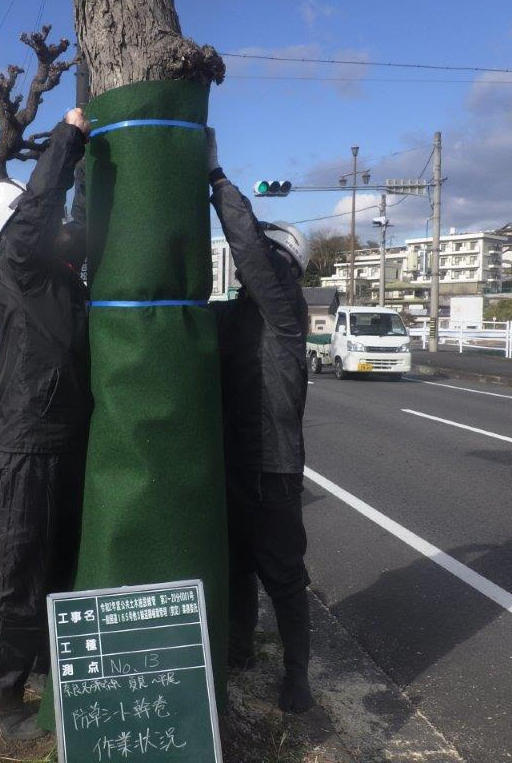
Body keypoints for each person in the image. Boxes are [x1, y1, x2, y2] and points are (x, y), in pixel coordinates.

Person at [0, 108, 92, 740]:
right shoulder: (19, 266)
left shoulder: (50, 277)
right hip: (26, 441)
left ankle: (18, 683)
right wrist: (68, 138)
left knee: (49, 572)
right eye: (28, 223)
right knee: (13, 574)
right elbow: (38, 214)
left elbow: (66, 229)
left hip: (57, 439)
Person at [206, 127, 315, 714]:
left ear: (282, 266)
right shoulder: (242, 315)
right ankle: (242, 647)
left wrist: (219, 180)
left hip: (274, 467)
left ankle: (297, 673)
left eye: (267, 258)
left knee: (283, 574)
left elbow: (247, 250)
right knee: (238, 561)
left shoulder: (285, 312)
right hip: (235, 461)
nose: (255, 265)